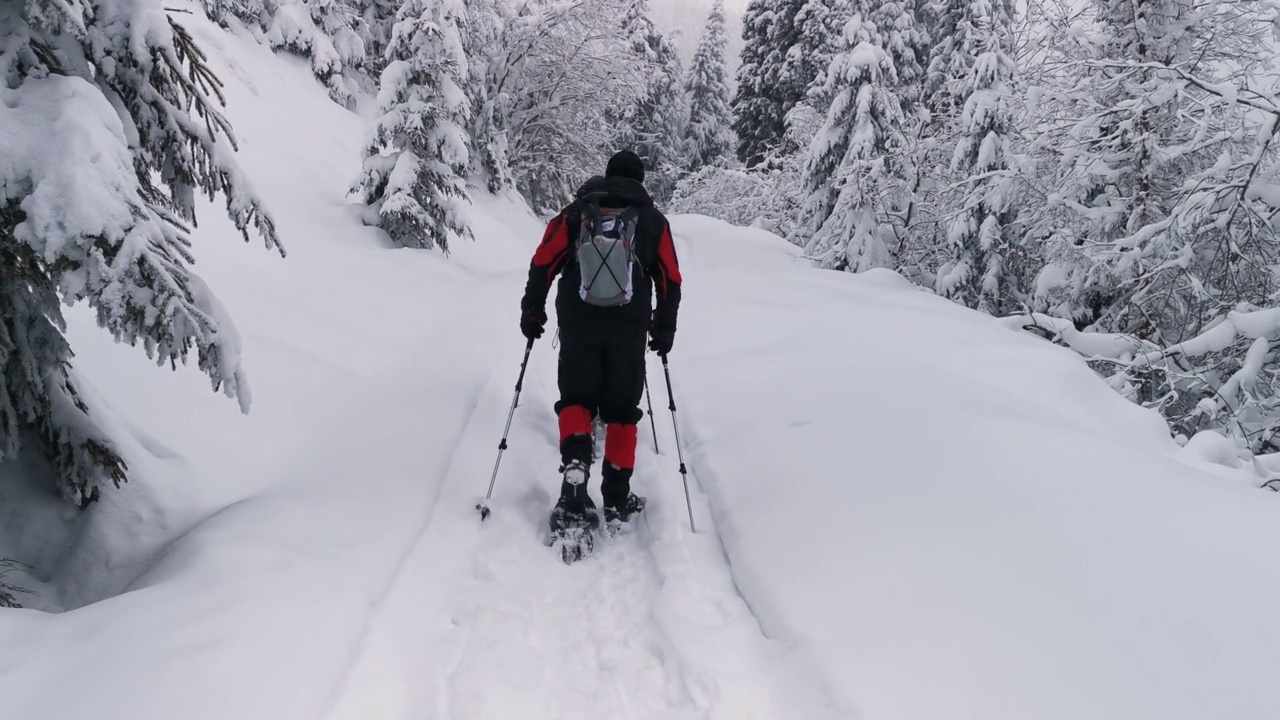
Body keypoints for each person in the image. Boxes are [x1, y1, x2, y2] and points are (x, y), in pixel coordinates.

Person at [519, 150, 682, 532]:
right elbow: (670, 279)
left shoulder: (578, 213)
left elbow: (543, 261)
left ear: (607, 176)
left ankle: (575, 469)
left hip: (579, 320)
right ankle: (616, 495)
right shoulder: (653, 221)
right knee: (622, 410)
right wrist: (664, 329)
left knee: (577, 398)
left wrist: (532, 310)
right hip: (628, 327)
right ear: (640, 181)